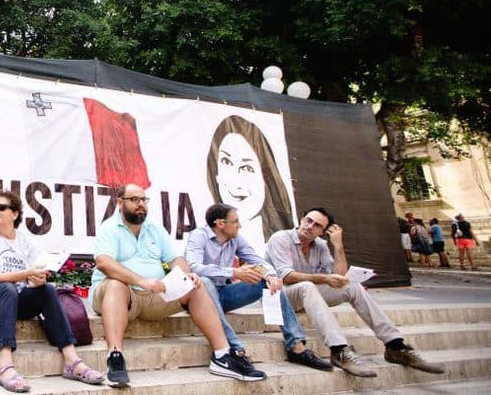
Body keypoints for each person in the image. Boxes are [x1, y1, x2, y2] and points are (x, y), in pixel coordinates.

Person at [91, 184, 266, 386]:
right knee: (115, 284)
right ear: (120, 203)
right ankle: (115, 357)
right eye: (134, 200)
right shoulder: (110, 227)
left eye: (144, 200)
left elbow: (175, 259)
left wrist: (187, 274)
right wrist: (141, 281)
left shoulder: (154, 228)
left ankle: (222, 356)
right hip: (120, 296)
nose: (141, 204)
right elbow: (104, 262)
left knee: (197, 284)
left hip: (153, 296)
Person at [265, 207, 444, 377]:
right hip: (278, 297)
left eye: (317, 225)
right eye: (308, 220)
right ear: (302, 219)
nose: (310, 226)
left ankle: (395, 345)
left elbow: (339, 275)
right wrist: (325, 279)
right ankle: (339, 350)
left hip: (305, 295)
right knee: (307, 286)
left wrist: (338, 245)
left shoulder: (320, 245)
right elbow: (286, 276)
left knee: (352, 285)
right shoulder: (281, 238)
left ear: (323, 231)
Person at [0, 191, 105, 392]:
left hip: (11, 300)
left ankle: (71, 360)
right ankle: (4, 366)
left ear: (14, 214)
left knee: (47, 289)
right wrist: (27, 273)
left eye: (1, 207)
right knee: (6, 287)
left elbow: (33, 278)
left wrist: (38, 279)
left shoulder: (25, 241)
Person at [185, 203, 332, 371]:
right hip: (200, 300)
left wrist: (271, 275)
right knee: (205, 281)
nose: (239, 225)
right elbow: (194, 268)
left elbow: (257, 260)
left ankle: (296, 347)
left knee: (266, 283)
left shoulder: (235, 238)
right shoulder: (199, 236)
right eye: (235, 221)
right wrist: (233, 272)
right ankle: (235, 350)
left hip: (224, 294)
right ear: (220, 224)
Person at [206, 115, 294, 249]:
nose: (236, 181)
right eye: (226, 162)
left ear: (266, 179)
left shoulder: (282, 242)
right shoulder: (203, 236)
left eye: (247, 168)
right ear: (216, 174)